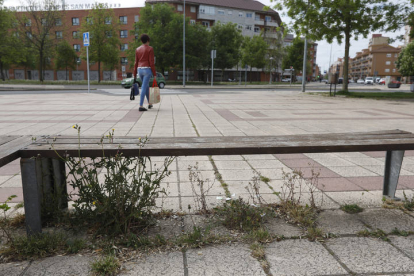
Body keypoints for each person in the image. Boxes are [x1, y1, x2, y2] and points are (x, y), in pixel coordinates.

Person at [133, 34, 156, 112]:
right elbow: (151, 62)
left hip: (139, 70)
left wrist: (134, 74)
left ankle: (150, 103)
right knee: (143, 87)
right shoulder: (150, 49)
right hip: (147, 70)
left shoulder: (137, 49)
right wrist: (155, 74)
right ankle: (141, 105)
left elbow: (135, 62)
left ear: (141, 41)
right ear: (148, 40)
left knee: (145, 87)